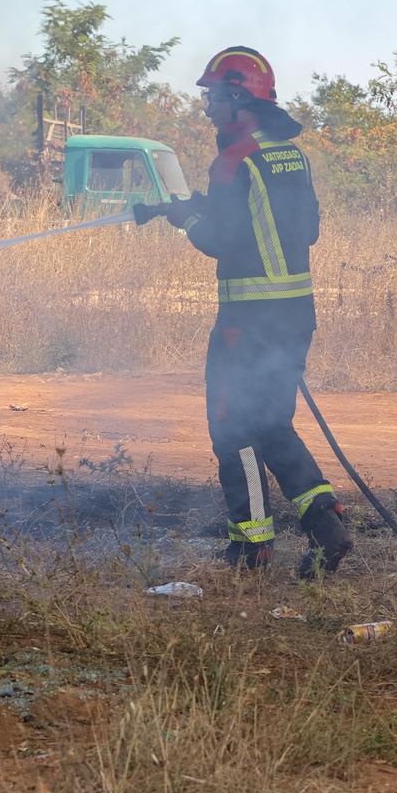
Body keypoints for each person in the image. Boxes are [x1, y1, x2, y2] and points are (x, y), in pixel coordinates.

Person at [155, 46, 351, 577]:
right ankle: (325, 521)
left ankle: (252, 544)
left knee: (230, 426)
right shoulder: (290, 156)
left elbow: (220, 240)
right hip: (294, 315)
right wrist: (208, 205)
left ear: (238, 98)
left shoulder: (230, 161)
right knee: (272, 424)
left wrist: (186, 222)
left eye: (213, 97)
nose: (206, 110)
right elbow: (301, 228)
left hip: (246, 320)